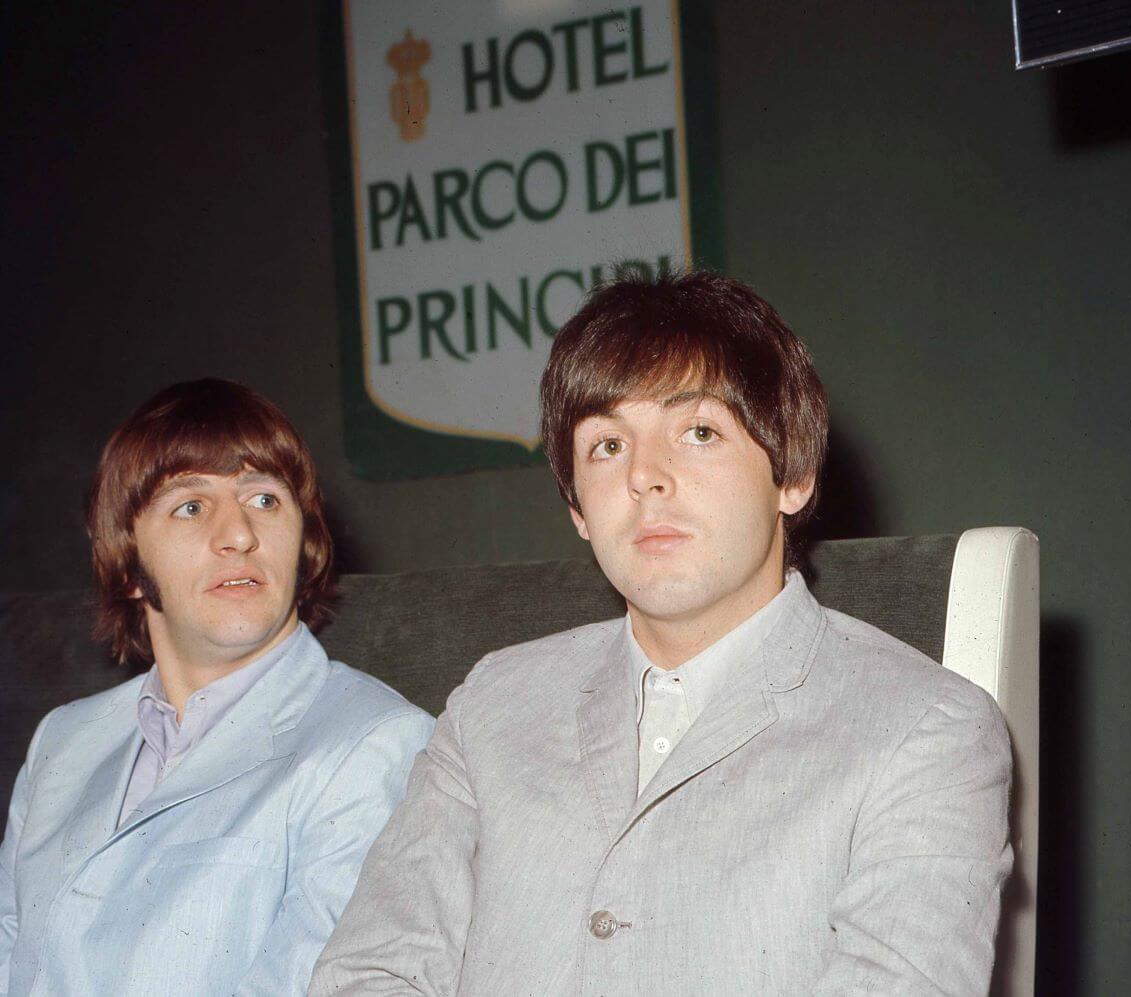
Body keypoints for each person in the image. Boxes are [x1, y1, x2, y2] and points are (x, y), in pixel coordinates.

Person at [311, 272, 1012, 995]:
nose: (645, 475)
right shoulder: (491, 702)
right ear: (579, 508)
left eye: (698, 431)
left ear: (792, 475)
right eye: (607, 446)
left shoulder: (926, 729)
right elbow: (371, 972)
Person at [0, 379, 434, 996]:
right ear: (128, 564)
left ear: (303, 544)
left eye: (264, 500)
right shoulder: (60, 743)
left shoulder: (378, 743)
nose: (239, 535)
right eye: (191, 506)